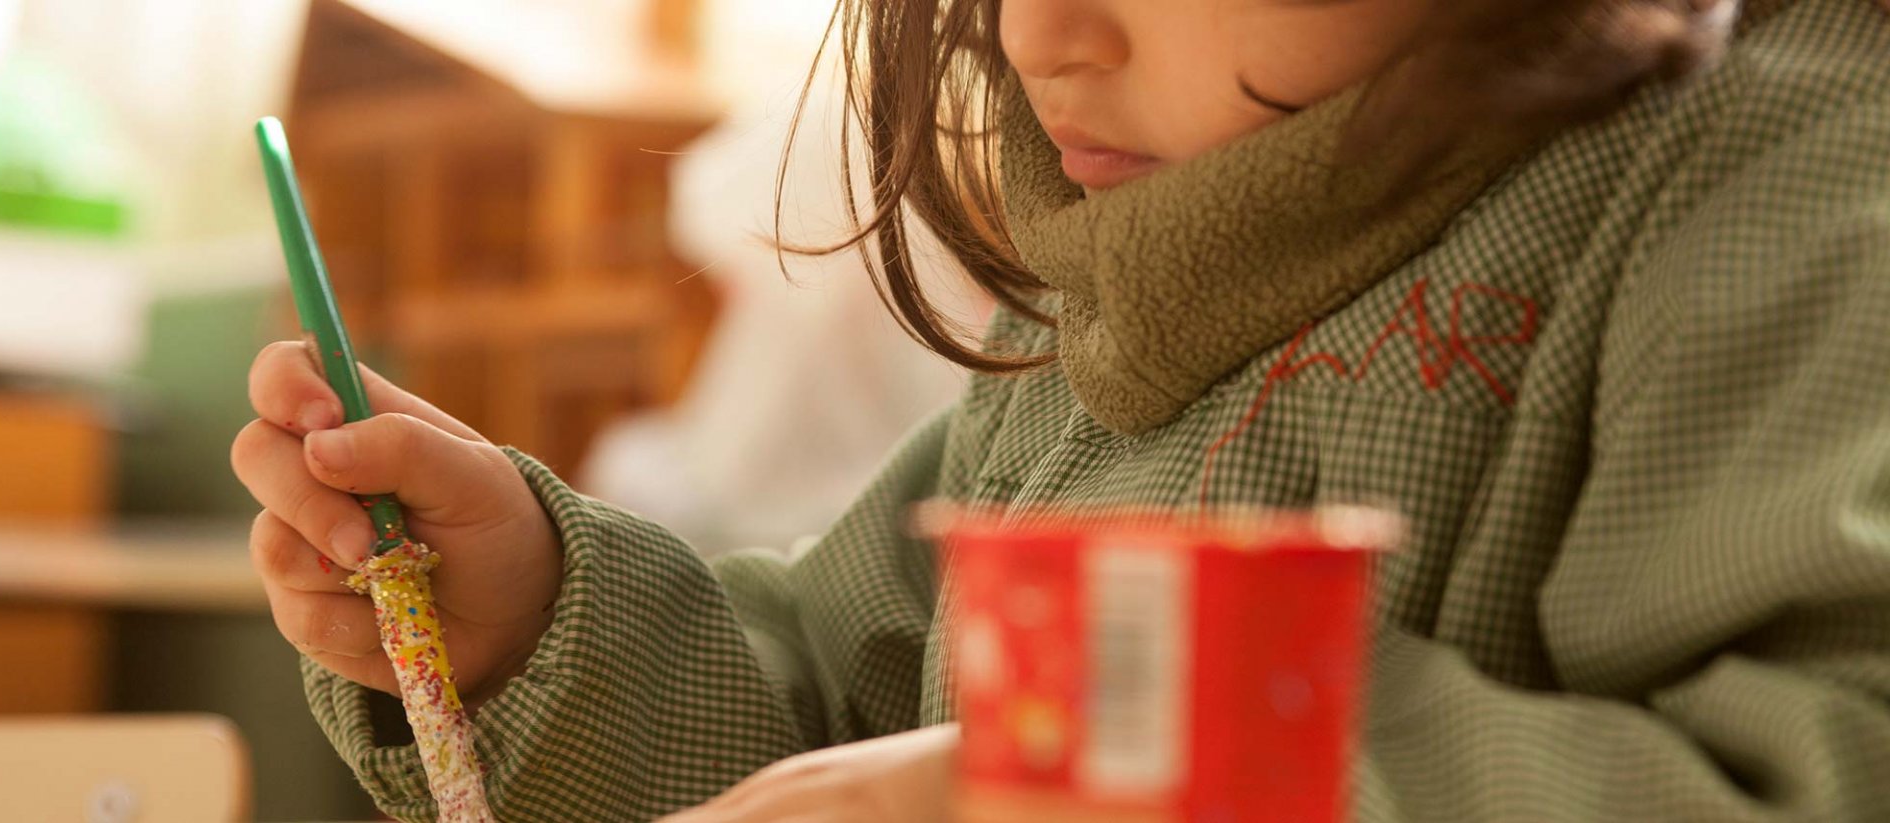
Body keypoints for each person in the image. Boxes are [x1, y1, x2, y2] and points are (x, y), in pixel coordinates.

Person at [231, 0, 1890, 820]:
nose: (1038, 38)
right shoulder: (1141, 255)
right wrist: (535, 615)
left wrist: (1082, 790)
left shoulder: (1773, 186)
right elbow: (839, 705)